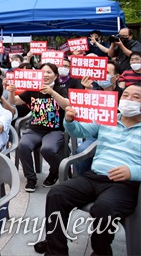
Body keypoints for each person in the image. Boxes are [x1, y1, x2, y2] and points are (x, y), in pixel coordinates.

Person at [39, 83, 141, 255]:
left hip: (124, 184)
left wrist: (133, 171)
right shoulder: (108, 119)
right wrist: (69, 120)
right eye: (126, 96)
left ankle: (101, 251)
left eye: (136, 97)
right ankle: (55, 250)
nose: (129, 100)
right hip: (94, 177)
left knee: (103, 209)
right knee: (57, 194)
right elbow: (79, 131)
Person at [8, 63, 70, 191]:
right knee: (23, 146)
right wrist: (11, 91)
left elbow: (66, 105)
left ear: (56, 75)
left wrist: (52, 92)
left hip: (55, 130)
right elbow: (14, 101)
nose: (46, 75)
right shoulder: (33, 89)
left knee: (48, 149)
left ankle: (54, 172)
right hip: (35, 129)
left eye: (49, 72)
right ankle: (31, 178)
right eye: (43, 72)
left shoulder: (60, 89)